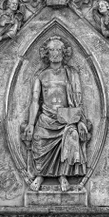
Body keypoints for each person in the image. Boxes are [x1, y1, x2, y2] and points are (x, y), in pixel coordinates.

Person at [23, 36, 90, 192]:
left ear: (64, 52)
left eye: (58, 49)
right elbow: (35, 101)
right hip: (46, 118)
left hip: (66, 118)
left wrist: (80, 121)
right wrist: (31, 124)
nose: (55, 53)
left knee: (71, 135)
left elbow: (78, 99)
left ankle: (63, 175)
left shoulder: (71, 74)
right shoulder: (41, 75)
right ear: (46, 53)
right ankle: (40, 175)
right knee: (39, 141)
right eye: (52, 49)